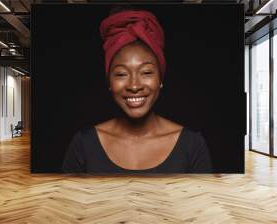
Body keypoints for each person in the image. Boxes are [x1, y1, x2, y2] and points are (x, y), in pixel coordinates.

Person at [62, 9, 212, 173]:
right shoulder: (84, 144)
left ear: (160, 79)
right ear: (109, 82)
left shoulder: (192, 145)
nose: (134, 86)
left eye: (146, 72)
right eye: (121, 74)